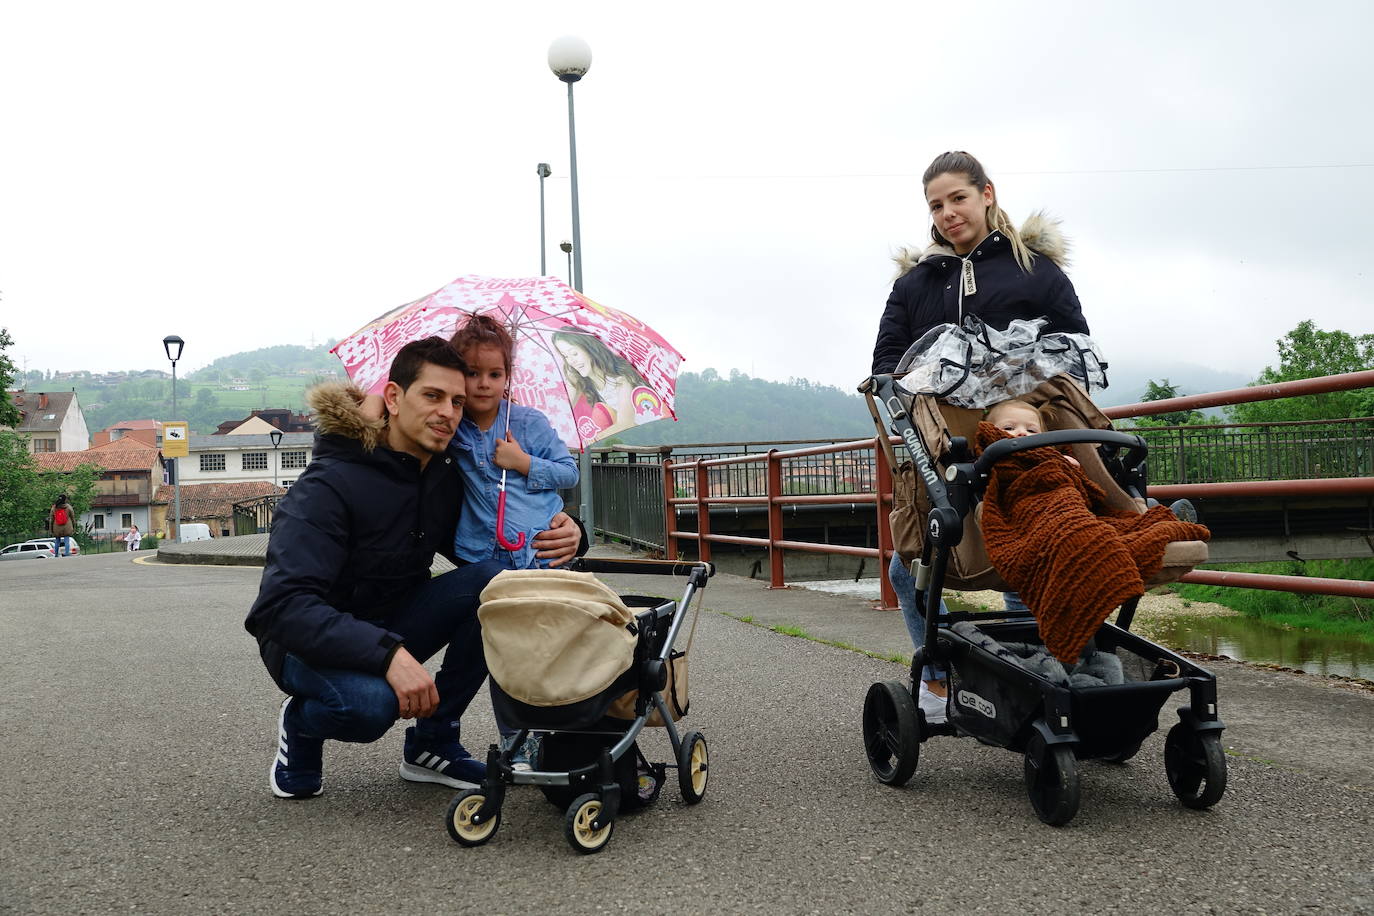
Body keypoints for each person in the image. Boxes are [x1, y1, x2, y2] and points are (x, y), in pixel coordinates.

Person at [245, 337, 585, 800]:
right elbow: (282, 607)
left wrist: (571, 531)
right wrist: (387, 655)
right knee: (368, 706)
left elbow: (494, 532)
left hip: (391, 621)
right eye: (432, 396)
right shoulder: (327, 485)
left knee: (494, 586)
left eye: (458, 401)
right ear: (392, 397)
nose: (448, 412)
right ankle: (301, 724)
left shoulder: (441, 474)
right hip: (305, 643)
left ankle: (432, 743)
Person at [872, 151, 1092, 724]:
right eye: (936, 205)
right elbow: (887, 363)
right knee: (911, 562)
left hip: (1029, 445)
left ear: (987, 193)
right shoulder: (916, 285)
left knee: (1025, 553)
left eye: (958, 198)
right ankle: (943, 673)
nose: (948, 213)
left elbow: (1076, 352)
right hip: (947, 451)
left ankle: (1043, 675)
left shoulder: (1034, 270)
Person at [449, 316, 579, 570]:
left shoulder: (528, 422)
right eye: (472, 373)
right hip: (479, 555)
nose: (484, 383)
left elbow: (570, 473)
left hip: (539, 551)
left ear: (507, 376)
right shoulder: (452, 426)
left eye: (495, 374)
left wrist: (524, 462)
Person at [552, 328, 652, 439]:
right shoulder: (584, 381)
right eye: (565, 356)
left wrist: (591, 439)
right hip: (627, 436)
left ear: (589, 349)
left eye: (574, 353)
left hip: (646, 434)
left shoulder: (622, 379)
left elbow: (625, 423)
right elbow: (564, 411)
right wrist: (571, 381)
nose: (571, 361)